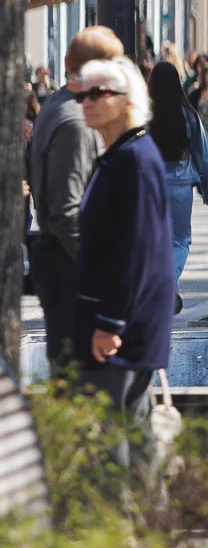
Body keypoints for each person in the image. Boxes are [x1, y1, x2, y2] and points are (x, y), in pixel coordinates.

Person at [71, 55, 174, 430]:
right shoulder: (119, 156)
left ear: (127, 100)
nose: (88, 102)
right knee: (128, 438)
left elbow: (139, 250)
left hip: (124, 329)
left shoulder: (136, 160)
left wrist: (111, 323)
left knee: (118, 443)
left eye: (99, 93)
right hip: (115, 322)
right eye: (83, 94)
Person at [28, 26, 125, 368]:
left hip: (63, 266)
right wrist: (103, 276)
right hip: (72, 273)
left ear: (67, 61)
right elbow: (65, 212)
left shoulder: (56, 105)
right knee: (86, 385)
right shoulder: (76, 122)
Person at [146, 61, 208, 301]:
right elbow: (203, 156)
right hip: (180, 186)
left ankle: (166, 285)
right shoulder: (189, 116)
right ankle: (169, 280)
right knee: (179, 240)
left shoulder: (143, 116)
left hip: (150, 186)